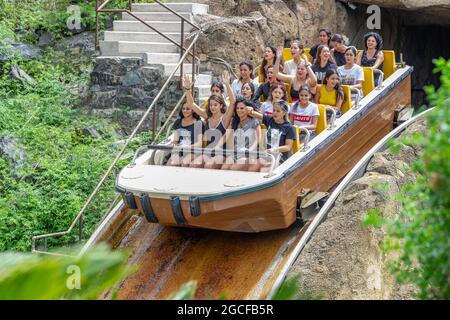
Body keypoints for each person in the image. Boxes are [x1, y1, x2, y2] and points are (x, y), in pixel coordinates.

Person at [184, 71, 235, 169]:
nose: (212, 107)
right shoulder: (207, 116)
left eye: (215, 105)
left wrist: (227, 84)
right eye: (211, 105)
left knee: (209, 165)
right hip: (207, 151)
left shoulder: (225, 118)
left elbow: (233, 102)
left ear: (220, 105)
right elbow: (191, 103)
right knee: (192, 164)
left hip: (222, 152)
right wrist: (187, 88)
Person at [248, 100, 296, 171]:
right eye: (274, 110)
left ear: (284, 113)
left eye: (278, 111)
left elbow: (288, 147)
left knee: (263, 170)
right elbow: (254, 114)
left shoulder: (289, 127)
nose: (275, 113)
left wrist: (273, 149)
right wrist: (250, 110)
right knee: (252, 168)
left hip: (280, 157)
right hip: (267, 155)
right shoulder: (270, 119)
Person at [221, 98, 261, 172]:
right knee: (224, 168)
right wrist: (217, 146)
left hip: (249, 154)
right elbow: (225, 136)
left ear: (247, 109)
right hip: (236, 153)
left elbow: (258, 139)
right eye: (237, 108)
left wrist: (250, 150)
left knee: (233, 168)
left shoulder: (254, 121)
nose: (239, 110)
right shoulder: (234, 121)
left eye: (242, 108)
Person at [166, 103, 204, 168]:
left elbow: (199, 143)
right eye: (183, 109)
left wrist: (187, 146)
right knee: (170, 164)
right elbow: (175, 140)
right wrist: (173, 144)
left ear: (193, 110)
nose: (185, 111)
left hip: (193, 151)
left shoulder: (198, 123)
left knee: (185, 162)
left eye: (188, 109)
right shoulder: (178, 121)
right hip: (180, 150)